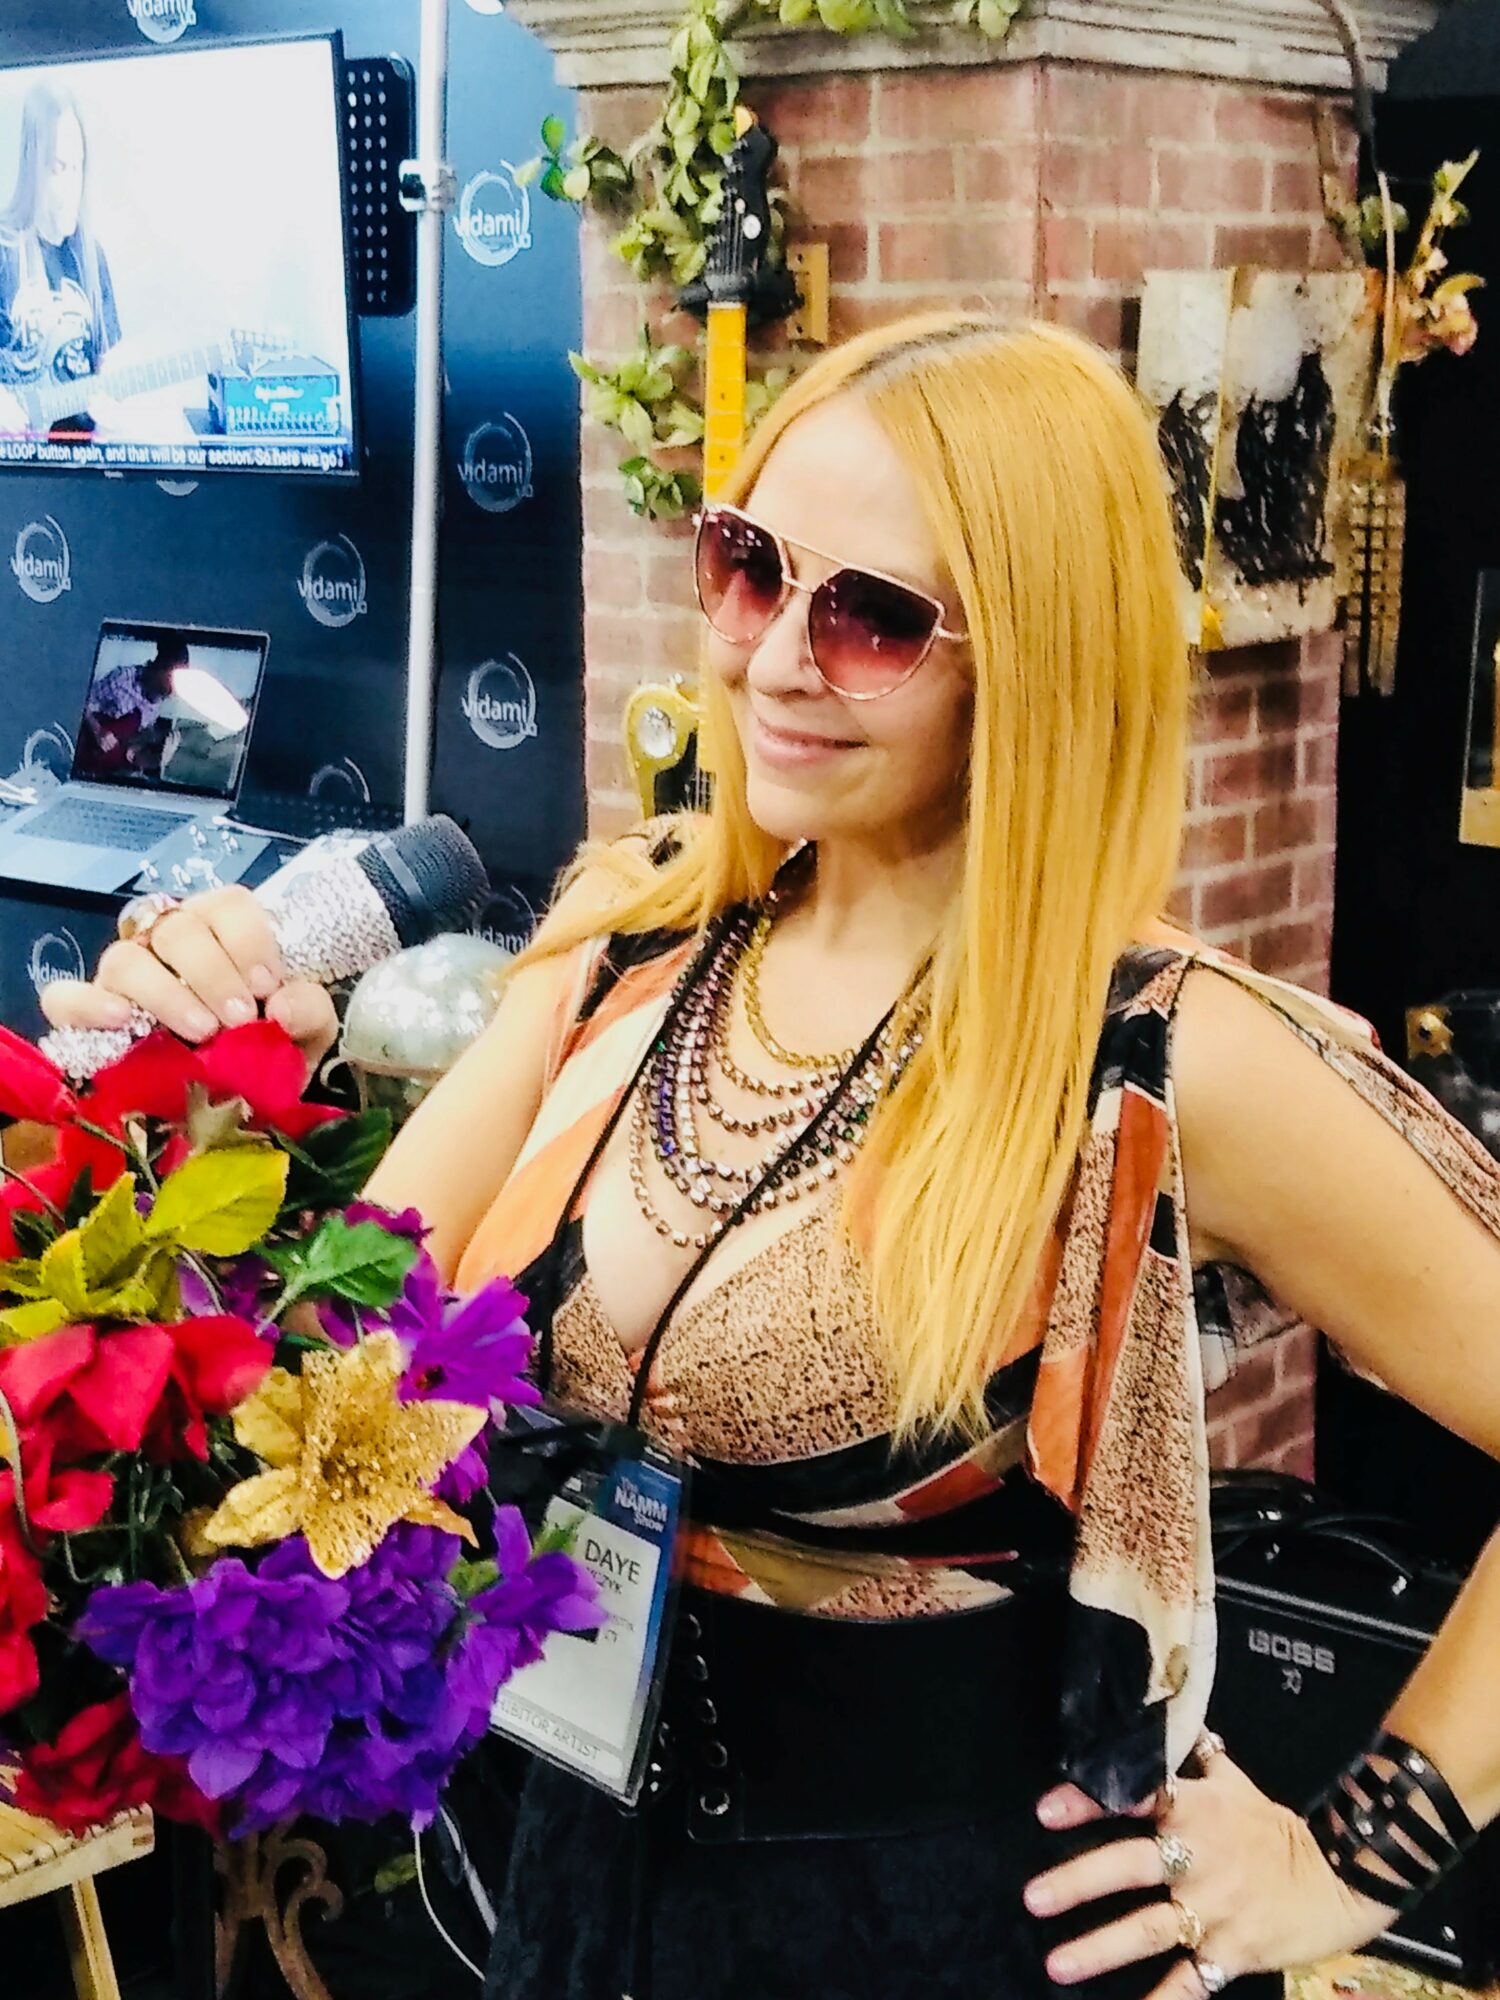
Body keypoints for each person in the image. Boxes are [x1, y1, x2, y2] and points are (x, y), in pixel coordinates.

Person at [42, 313, 1500, 2000]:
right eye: (748, 566)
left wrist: (1355, 1853)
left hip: (952, 1936)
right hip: (582, 1879)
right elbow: (336, 1353)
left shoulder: (1168, 1060)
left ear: (1034, 661)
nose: (777, 658)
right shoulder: (632, 942)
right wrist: (228, 1080)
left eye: (874, 615)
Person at [0, 78, 121, 438]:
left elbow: (107, 363)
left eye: (77, 167)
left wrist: (112, 405)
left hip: (82, 468)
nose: (70, 185)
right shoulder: (4, 250)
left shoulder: (91, 255)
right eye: (58, 168)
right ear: (32, 166)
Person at [74, 633, 188, 782]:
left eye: (168, 693)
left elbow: (134, 744)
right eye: (166, 687)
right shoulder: (122, 679)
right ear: (159, 668)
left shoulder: (155, 706)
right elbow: (79, 701)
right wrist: (98, 730)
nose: (166, 695)